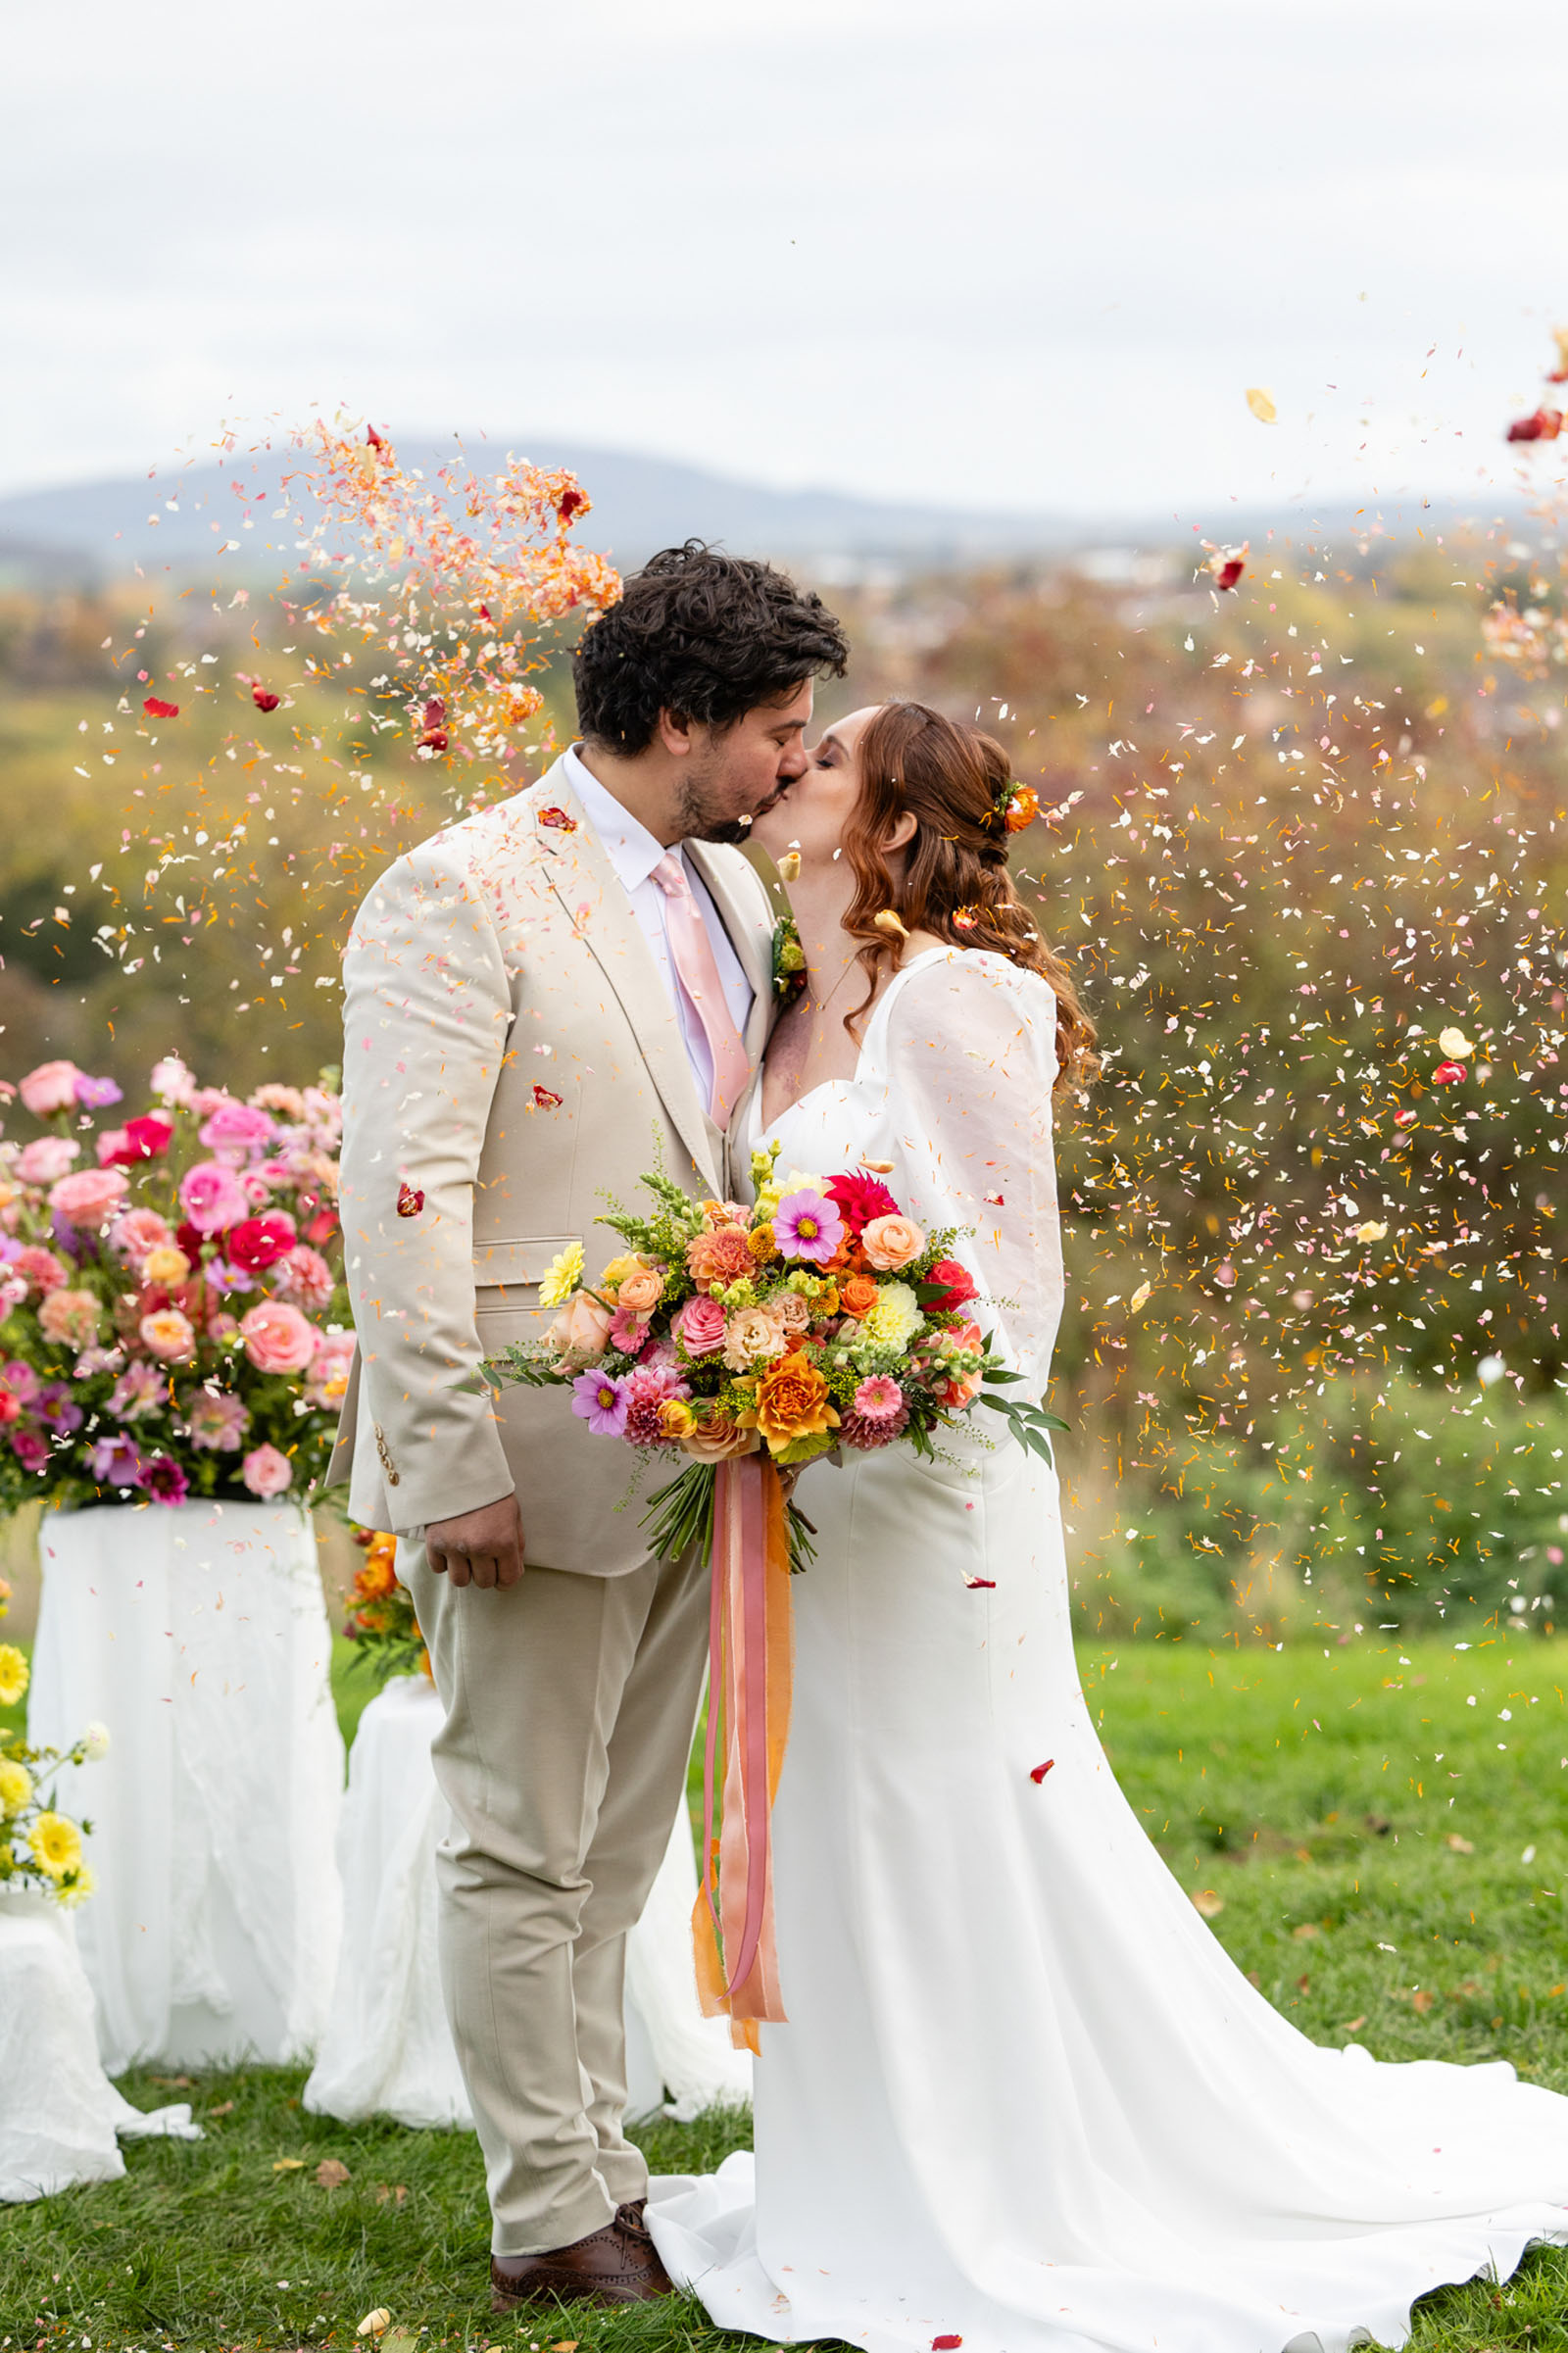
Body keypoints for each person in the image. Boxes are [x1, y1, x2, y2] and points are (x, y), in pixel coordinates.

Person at [648, 701, 1568, 2353]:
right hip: (807, 1483)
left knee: (951, 1801)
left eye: (829, 757)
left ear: (899, 815)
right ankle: (855, 2164)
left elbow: (1012, 1278)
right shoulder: (788, 1003)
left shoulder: (960, 998)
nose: (793, 772)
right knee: (839, 1792)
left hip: (932, 1487)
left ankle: (1005, 2175)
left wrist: (877, 1384)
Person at [330, 544, 847, 2313]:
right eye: (781, 729)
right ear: (680, 716)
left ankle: (604, 2159)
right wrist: (444, 1455)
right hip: (517, 1450)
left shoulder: (729, 896)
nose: (800, 761)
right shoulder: (458, 890)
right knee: (515, 1836)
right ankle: (546, 2213)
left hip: (686, 1451)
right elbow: (398, 1193)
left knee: (621, 1847)